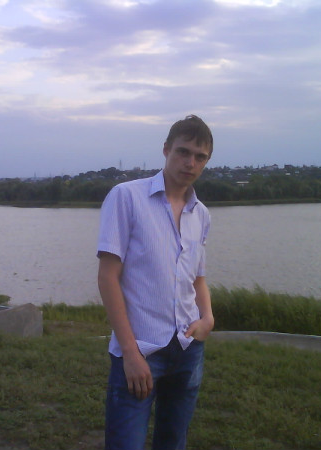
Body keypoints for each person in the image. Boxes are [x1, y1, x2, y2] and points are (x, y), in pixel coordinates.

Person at [97, 115, 215, 450]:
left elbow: (198, 278)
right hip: (140, 349)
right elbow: (107, 277)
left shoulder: (201, 214)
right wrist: (130, 353)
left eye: (200, 157)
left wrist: (208, 318)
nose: (190, 163)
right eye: (183, 152)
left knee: (173, 442)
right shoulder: (126, 197)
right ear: (166, 150)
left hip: (188, 349)